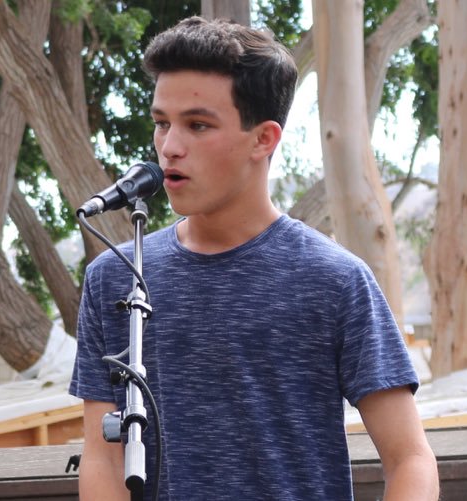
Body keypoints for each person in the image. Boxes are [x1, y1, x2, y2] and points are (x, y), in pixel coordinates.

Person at [70, 17, 439, 500]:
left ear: (264, 139)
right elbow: (102, 455)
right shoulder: (114, 278)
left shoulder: (335, 280)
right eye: (162, 123)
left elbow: (409, 457)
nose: (169, 147)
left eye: (197, 125)